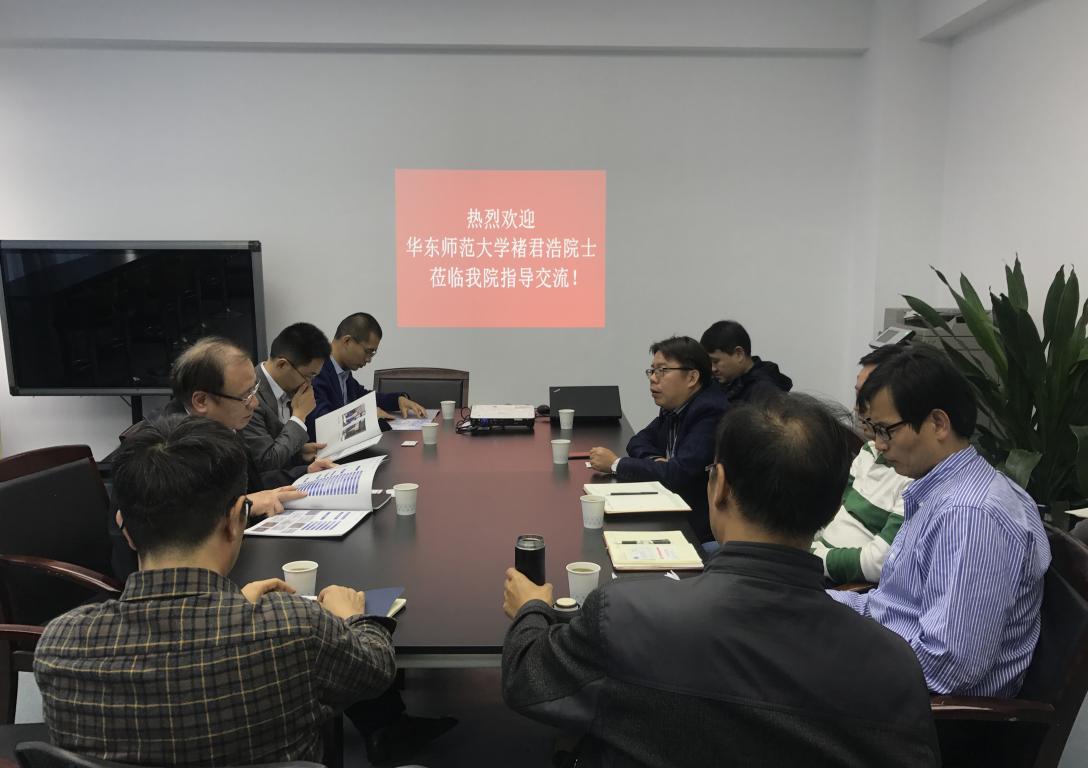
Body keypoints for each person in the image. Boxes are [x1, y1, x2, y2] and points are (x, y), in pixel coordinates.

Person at [502, 394, 940, 767]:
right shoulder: (894, 667)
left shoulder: (626, 616)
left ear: (720, 486)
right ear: (831, 506)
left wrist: (531, 608)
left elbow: (528, 680)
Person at [36, 415, 397, 765]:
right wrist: (354, 617)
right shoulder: (294, 627)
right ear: (238, 518)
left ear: (124, 528)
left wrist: (234, 607)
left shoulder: (60, 647)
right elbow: (377, 671)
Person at [829, 344, 1051, 696]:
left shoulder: (969, 515)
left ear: (938, 423)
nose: (879, 445)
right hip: (894, 663)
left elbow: (946, 668)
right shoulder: (942, 490)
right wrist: (807, 603)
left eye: (886, 430)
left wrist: (846, 654)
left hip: (926, 711)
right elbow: (891, 607)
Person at [589, 336, 728, 542]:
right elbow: (637, 441)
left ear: (692, 378)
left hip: (699, 529)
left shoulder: (710, 412)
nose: (653, 378)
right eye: (652, 371)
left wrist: (616, 464)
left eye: (662, 370)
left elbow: (678, 475)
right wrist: (657, 462)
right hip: (672, 510)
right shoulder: (675, 406)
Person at [813, 344, 911, 584]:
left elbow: (880, 562)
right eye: (858, 393)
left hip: (844, 583)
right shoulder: (867, 451)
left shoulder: (912, 474)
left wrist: (810, 558)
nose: (857, 407)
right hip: (819, 565)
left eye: (868, 396)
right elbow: (834, 515)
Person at [308, 312, 426, 439]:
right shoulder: (315, 371)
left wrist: (398, 400)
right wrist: (366, 416)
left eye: (372, 353)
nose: (369, 360)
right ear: (347, 341)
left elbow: (364, 397)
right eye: (367, 351)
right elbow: (322, 423)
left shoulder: (342, 371)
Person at [241, 322, 331, 472]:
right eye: (308, 376)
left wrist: (299, 453)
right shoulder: (250, 397)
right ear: (282, 365)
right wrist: (299, 417)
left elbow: (277, 443)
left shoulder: (289, 388)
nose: (309, 384)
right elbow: (266, 462)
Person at [699, 319, 792, 403]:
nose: (713, 369)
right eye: (709, 362)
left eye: (715, 361)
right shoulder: (723, 384)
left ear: (739, 354)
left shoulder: (764, 393)